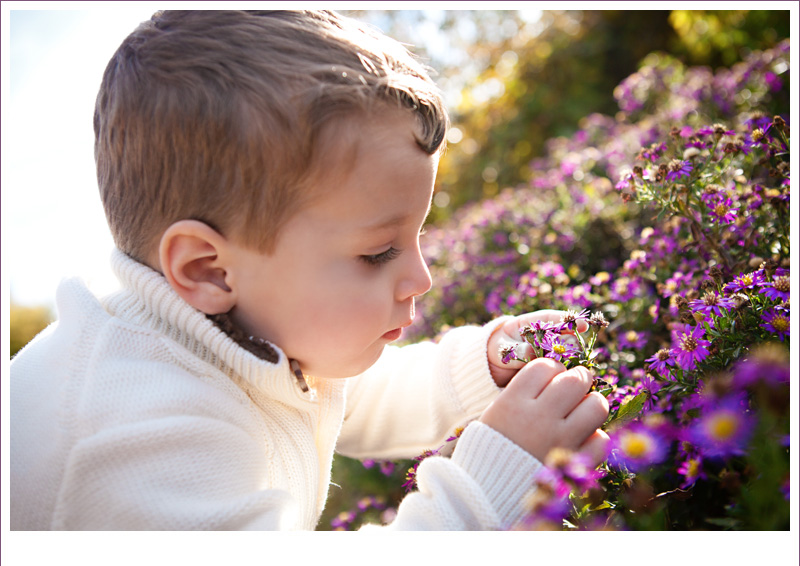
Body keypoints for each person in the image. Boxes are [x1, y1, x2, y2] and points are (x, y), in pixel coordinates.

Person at [10, 9, 609, 531]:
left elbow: (358, 394)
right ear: (208, 270)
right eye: (377, 253)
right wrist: (483, 491)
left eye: (417, 236)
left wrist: (483, 365)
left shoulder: (245, 326)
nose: (421, 278)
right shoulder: (140, 435)